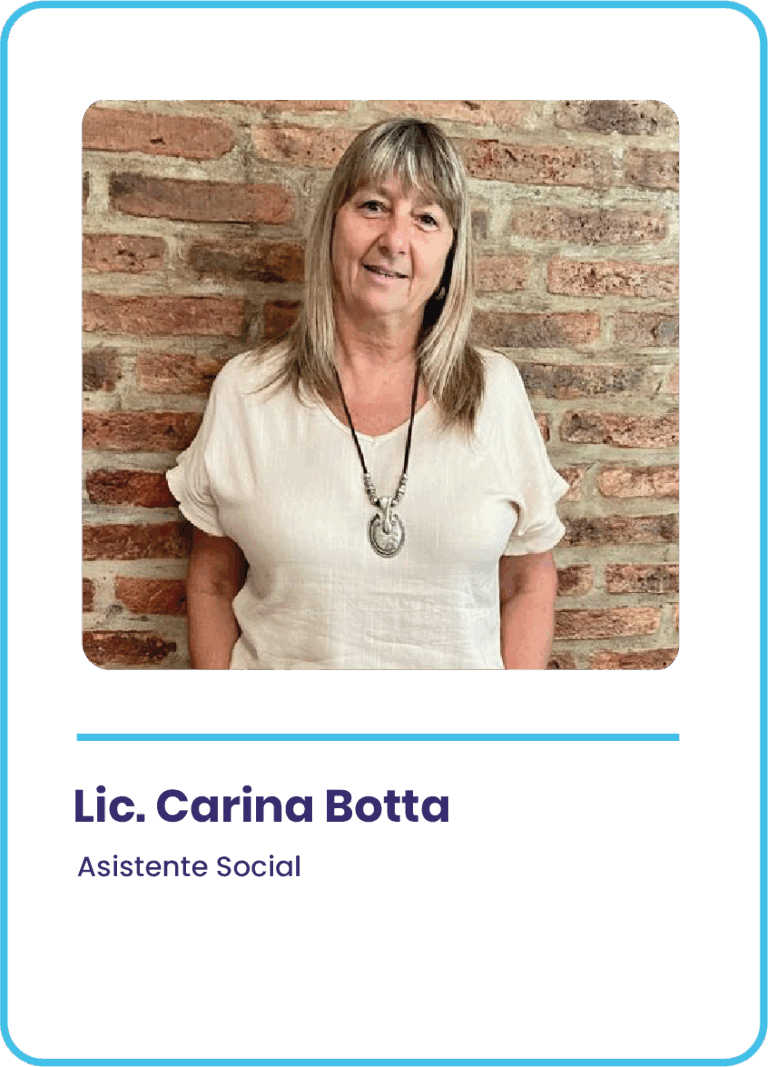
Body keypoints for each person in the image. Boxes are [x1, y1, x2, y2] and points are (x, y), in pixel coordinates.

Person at [167, 118, 568, 670]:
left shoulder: (494, 393)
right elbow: (213, 579)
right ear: (333, 225)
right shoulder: (247, 392)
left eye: (426, 218)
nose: (394, 241)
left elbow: (527, 580)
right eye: (374, 206)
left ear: (451, 255)